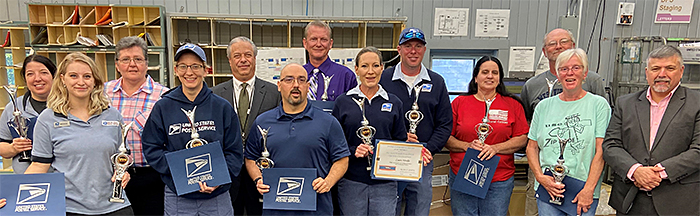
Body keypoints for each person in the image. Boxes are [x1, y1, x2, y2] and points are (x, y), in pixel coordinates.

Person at [26, 52, 134, 215]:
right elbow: (39, 165)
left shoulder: (113, 115)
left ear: (95, 80)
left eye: (87, 76)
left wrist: (124, 172)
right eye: (73, 76)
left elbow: (121, 159)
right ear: (62, 79)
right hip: (69, 208)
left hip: (115, 206)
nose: (81, 82)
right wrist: (10, 193)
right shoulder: (48, 119)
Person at [142, 43, 243, 215]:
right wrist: (180, 173)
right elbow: (151, 148)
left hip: (216, 196)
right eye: (183, 66)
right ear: (175, 70)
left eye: (196, 66)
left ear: (206, 70)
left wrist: (219, 178)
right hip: (178, 196)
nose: (189, 72)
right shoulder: (163, 107)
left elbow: (234, 151)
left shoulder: (222, 107)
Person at [519, 28, 608, 216]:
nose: (570, 73)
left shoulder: (598, 105)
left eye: (576, 68)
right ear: (557, 75)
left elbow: (601, 150)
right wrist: (541, 178)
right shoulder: (543, 106)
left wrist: (589, 189)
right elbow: (531, 147)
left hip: (582, 188)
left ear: (585, 73)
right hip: (548, 186)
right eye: (564, 69)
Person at [602, 45, 700, 215]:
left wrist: (660, 172)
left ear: (681, 70)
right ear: (647, 72)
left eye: (670, 68)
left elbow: (698, 150)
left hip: (679, 202)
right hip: (631, 200)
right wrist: (636, 170)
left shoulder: (696, 103)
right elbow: (611, 145)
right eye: (656, 68)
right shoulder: (625, 103)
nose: (662, 74)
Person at [245, 63, 350, 215]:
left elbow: (342, 159)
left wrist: (328, 182)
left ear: (308, 86)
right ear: (279, 85)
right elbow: (250, 158)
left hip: (317, 209)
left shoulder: (328, 122)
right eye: (289, 80)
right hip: (276, 210)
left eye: (301, 80)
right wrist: (258, 179)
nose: (296, 85)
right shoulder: (262, 122)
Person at [445, 56, 529, 216]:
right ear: (476, 77)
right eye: (485, 72)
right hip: (464, 174)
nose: (490, 76)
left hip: (499, 178)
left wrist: (496, 148)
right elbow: (446, 137)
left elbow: (522, 137)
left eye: (494, 73)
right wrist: (466, 145)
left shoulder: (513, 104)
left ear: (499, 78)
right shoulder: (459, 103)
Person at [379, 27, 449, 216]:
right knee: (388, 208)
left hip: (422, 159)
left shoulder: (437, 82)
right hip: (391, 156)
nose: (413, 51)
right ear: (398, 49)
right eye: (408, 46)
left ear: (424, 50)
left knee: (419, 209)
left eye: (418, 46)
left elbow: (445, 123)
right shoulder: (384, 79)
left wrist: (429, 149)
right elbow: (375, 118)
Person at [331, 46, 407, 216]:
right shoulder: (343, 102)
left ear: (382, 68)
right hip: (351, 181)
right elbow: (334, 144)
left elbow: (400, 141)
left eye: (375, 65)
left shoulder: (394, 103)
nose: (370, 71)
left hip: (385, 183)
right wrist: (353, 150)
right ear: (356, 69)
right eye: (364, 66)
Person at [212, 36, 281, 215]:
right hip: (227, 172)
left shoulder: (274, 92)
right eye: (237, 56)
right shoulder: (215, 94)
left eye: (248, 55)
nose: (243, 60)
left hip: (262, 172)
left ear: (255, 58)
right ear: (229, 60)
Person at [104, 36, 169, 216]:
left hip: (151, 177)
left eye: (138, 59)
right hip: (109, 176)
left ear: (147, 64)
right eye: (125, 59)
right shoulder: (102, 93)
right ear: (117, 65)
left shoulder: (164, 96)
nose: (132, 64)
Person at [0, 55, 55, 174]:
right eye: (30, 74)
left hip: (64, 182)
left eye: (44, 73)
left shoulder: (69, 106)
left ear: (54, 76)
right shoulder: (14, 108)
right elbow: (2, 145)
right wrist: (12, 148)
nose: (37, 78)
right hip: (26, 180)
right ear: (25, 79)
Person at [302, 20, 357, 102]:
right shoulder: (297, 76)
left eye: (323, 40)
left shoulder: (346, 76)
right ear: (305, 43)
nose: (318, 44)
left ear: (330, 43)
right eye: (313, 39)